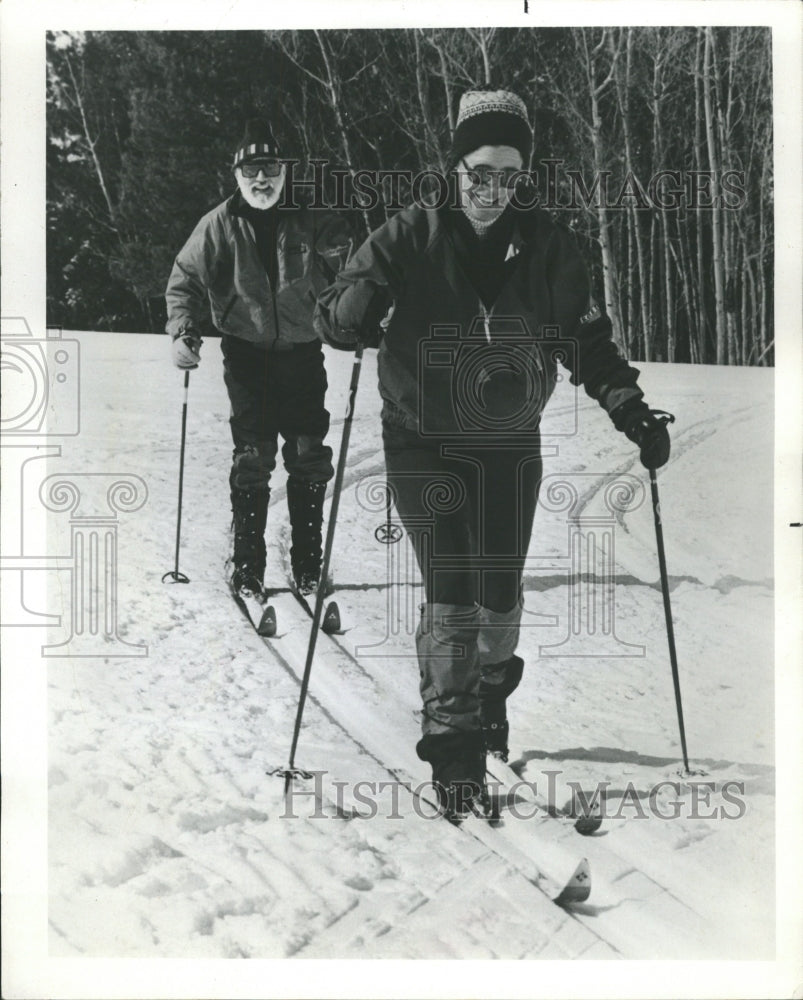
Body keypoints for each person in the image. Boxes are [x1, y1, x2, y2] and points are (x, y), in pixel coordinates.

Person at [315, 89, 671, 818]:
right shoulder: (407, 235)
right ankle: (452, 746)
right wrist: (354, 308)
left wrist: (627, 407)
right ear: (454, 168)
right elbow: (337, 318)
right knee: (451, 582)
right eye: (480, 172)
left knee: (499, 594)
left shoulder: (546, 246)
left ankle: (485, 692)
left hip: (507, 439)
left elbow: (585, 339)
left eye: (509, 177)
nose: (492, 190)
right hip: (421, 437)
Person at [166, 118, 352, 598]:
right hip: (246, 357)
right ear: (237, 175)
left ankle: (309, 563)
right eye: (251, 170)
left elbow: (353, 273)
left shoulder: (315, 218)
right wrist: (183, 332)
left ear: (284, 171)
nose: (261, 179)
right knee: (253, 456)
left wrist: (370, 311)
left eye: (269, 168)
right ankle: (247, 565)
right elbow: (184, 278)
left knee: (309, 454)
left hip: (303, 352)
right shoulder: (219, 224)